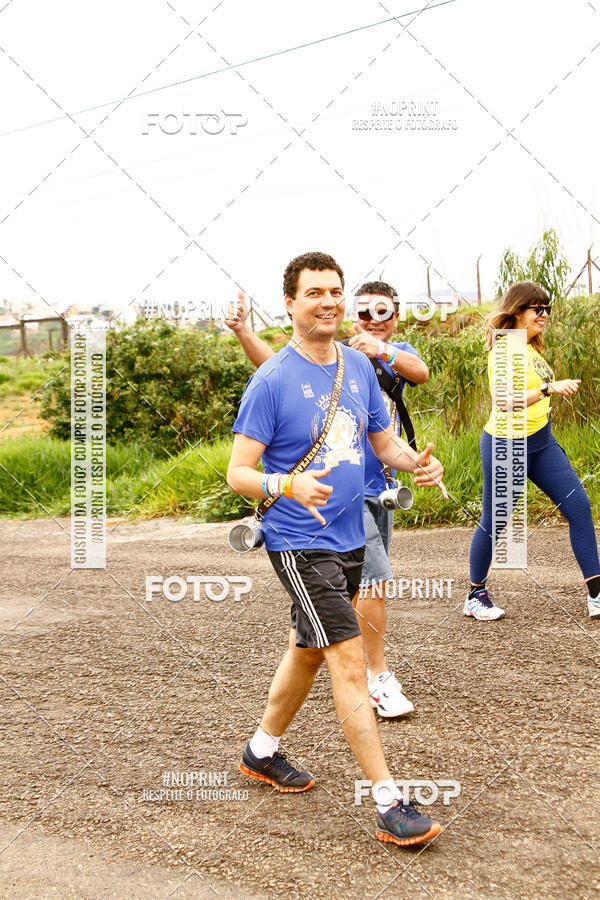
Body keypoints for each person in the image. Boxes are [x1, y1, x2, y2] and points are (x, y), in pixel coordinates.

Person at [227, 251, 447, 846]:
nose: (328, 301)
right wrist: (286, 484)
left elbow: (383, 443)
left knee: (306, 648)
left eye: (335, 291)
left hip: (352, 534)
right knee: (348, 660)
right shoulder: (270, 380)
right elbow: (238, 473)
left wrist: (414, 464)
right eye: (315, 292)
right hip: (300, 542)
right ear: (292, 304)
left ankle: (261, 750)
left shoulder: (355, 364)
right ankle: (389, 802)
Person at [226, 281, 429, 717]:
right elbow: (279, 374)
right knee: (370, 592)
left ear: (395, 317)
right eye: (364, 312)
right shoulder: (314, 358)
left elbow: (417, 377)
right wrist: (244, 332)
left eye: (383, 313)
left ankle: (262, 746)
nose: (372, 320)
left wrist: (417, 463)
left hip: (379, 488)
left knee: (314, 635)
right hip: (317, 510)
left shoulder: (368, 357)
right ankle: (375, 685)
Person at [465, 281, 600, 621]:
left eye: (547, 309)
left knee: (579, 507)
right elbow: (504, 401)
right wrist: (547, 388)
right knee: (495, 520)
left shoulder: (530, 348)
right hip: (505, 444)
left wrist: (545, 397)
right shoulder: (505, 348)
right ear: (517, 311)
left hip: (541, 442)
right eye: (536, 309)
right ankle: (475, 594)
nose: (544, 315)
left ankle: (597, 595)